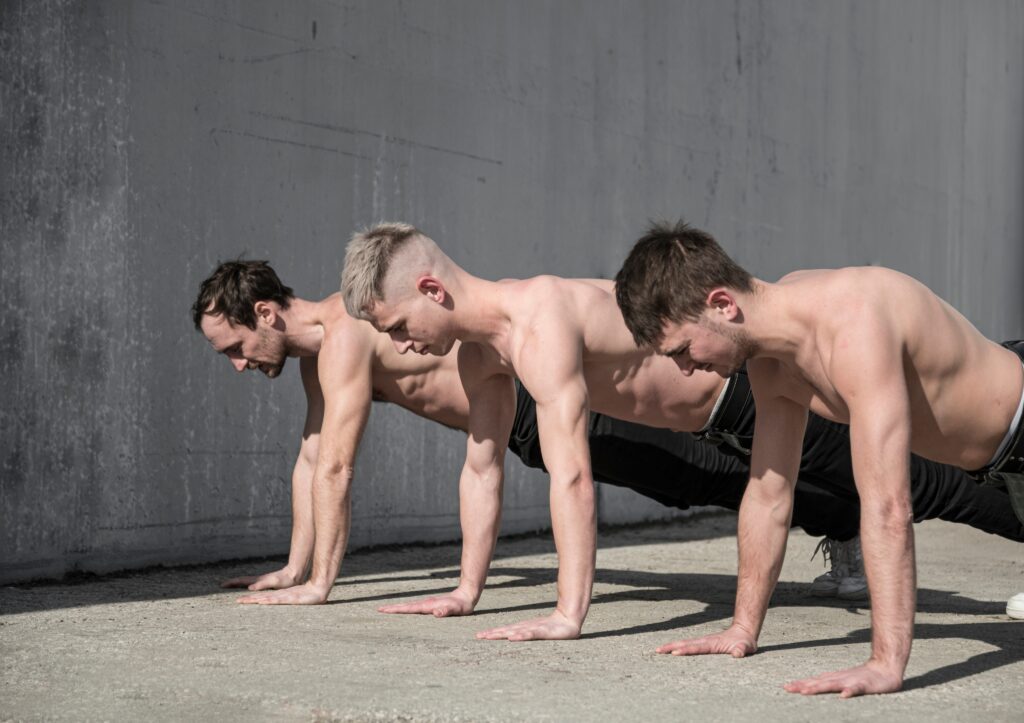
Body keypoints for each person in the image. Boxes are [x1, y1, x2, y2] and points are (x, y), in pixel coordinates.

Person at [339, 223, 1024, 640]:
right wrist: (466, 590)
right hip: (712, 427)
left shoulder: (538, 319)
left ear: (431, 290)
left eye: (396, 327)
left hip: (741, 395)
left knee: (933, 480)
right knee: (822, 496)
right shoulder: (478, 352)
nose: (398, 346)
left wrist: (567, 613)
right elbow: (481, 468)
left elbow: (573, 473)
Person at [191, 260, 869, 607]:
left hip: (535, 400)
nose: (239, 363)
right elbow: (310, 462)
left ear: (267, 312)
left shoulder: (344, 335)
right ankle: (841, 514)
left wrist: (321, 583)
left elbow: (337, 470)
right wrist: (291, 565)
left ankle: (849, 505)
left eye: (236, 345)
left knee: (700, 468)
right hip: (513, 426)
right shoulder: (318, 361)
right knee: (689, 479)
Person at [614, 219, 1024, 698]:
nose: (685, 369)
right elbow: (768, 493)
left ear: (722, 304)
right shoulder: (771, 362)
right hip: (997, 467)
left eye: (683, 349)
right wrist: (741, 630)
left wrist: (885, 663)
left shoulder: (852, 322)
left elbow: (889, 505)